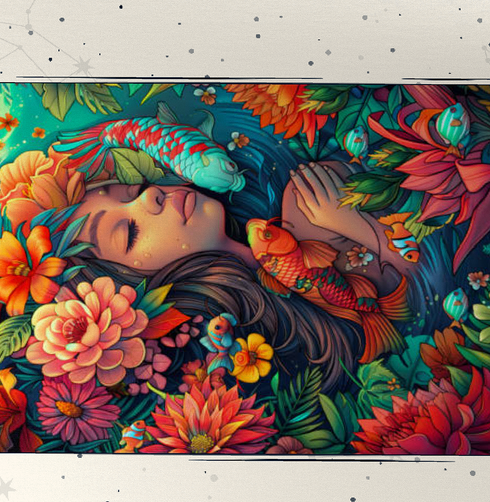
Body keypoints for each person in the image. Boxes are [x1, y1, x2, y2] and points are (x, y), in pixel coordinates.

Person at [64, 160, 456, 393]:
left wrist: (353, 228)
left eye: (136, 189)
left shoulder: (304, 206)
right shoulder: (240, 344)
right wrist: (360, 231)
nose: (151, 196)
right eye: (130, 233)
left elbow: (438, 280)